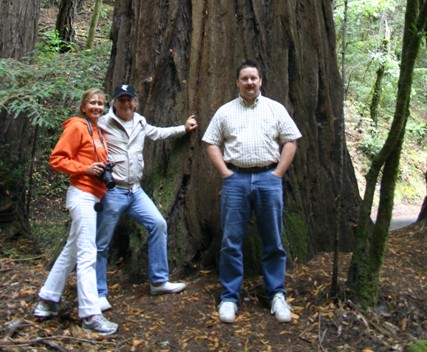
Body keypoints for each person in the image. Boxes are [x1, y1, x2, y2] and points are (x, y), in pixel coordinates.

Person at [202, 60, 301, 324]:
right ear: (237, 82)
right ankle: (229, 297)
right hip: (236, 181)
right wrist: (225, 173)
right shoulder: (225, 112)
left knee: (273, 240)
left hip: (269, 179)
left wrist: (278, 173)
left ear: (261, 81)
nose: (249, 83)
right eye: (244, 78)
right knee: (231, 241)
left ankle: (276, 294)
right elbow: (211, 142)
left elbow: (290, 141)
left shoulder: (275, 109)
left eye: (253, 78)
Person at [96, 83, 198, 310]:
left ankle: (159, 281)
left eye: (129, 99)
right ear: (114, 102)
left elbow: (159, 133)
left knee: (158, 224)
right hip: (113, 192)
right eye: (121, 99)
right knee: (101, 243)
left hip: (135, 191)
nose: (126, 104)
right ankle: (99, 292)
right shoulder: (102, 124)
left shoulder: (140, 122)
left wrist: (183, 128)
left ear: (135, 101)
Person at [34, 88, 119, 336]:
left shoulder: (98, 132)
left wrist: (102, 167)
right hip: (81, 194)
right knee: (87, 253)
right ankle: (91, 314)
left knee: (71, 250)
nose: (96, 107)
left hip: (93, 195)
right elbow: (57, 159)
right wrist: (85, 169)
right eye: (92, 103)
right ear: (83, 106)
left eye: (101, 104)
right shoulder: (77, 127)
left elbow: (92, 162)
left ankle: (47, 300)